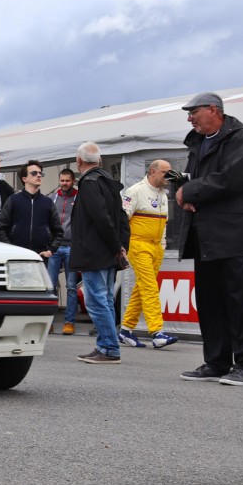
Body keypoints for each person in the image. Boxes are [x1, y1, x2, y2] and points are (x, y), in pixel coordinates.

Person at [175, 92, 243, 385]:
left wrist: (191, 192)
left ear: (213, 110)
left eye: (194, 112)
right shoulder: (196, 142)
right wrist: (181, 192)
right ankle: (216, 362)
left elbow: (232, 178)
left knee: (238, 300)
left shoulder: (240, 138)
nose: (189, 118)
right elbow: (186, 179)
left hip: (230, 233)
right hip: (202, 233)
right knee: (209, 300)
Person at [70, 142, 130, 364]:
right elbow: (122, 218)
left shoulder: (89, 183)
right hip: (107, 252)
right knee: (103, 298)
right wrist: (120, 247)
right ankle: (106, 345)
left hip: (93, 252)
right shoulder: (108, 182)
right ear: (99, 161)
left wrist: (117, 247)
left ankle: (109, 347)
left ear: (79, 161)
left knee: (96, 301)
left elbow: (101, 219)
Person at [117, 160, 179, 349]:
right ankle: (156, 332)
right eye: (165, 172)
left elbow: (164, 223)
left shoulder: (163, 194)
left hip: (156, 246)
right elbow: (122, 219)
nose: (168, 176)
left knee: (141, 287)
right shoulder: (135, 191)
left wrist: (162, 245)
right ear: (152, 171)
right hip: (138, 245)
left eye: (170, 172)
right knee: (150, 287)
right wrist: (123, 246)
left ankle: (126, 329)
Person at [0, 160, 63, 261]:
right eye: (34, 173)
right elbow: (1, 229)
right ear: (24, 178)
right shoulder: (13, 200)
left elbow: (58, 232)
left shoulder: (48, 202)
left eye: (40, 173)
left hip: (40, 258)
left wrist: (50, 251)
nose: (39, 175)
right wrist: (11, 249)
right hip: (16, 257)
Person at [47, 169, 79, 335]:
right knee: (50, 287)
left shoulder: (79, 198)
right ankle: (49, 323)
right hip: (54, 248)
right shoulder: (52, 198)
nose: (64, 183)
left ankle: (69, 322)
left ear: (73, 180)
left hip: (72, 247)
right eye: (62, 180)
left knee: (71, 287)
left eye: (67, 180)